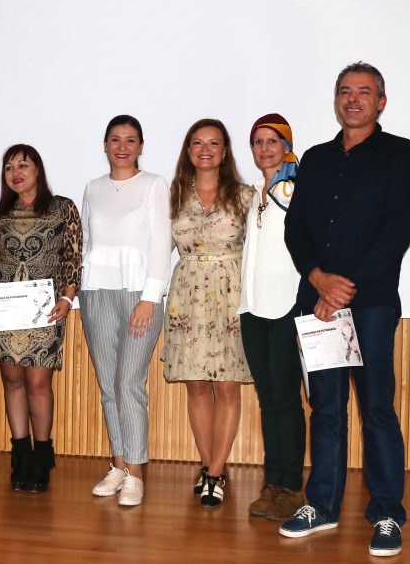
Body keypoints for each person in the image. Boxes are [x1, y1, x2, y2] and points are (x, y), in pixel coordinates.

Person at [279, 62, 410, 558]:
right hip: (317, 306)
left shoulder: (401, 155)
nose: (354, 99)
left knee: (377, 410)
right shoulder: (315, 160)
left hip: (372, 305)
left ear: (381, 102)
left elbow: (397, 230)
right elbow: (295, 228)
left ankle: (387, 514)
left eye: (364, 92)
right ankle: (321, 505)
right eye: (346, 91)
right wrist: (319, 279)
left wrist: (346, 288)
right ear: (336, 100)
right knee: (325, 408)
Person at [0, 144, 82, 493]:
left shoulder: (62, 208)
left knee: (38, 383)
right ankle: (19, 451)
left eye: (23, 165)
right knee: (12, 381)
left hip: (44, 309)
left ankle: (42, 452)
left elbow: (73, 257)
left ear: (38, 169)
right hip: (6, 309)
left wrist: (67, 298)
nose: (16, 172)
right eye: (9, 167)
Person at [161, 118, 255, 508]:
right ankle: (208, 467)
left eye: (213, 143)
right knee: (196, 385)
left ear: (225, 151)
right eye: (197, 143)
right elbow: (154, 248)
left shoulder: (246, 196)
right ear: (187, 151)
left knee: (227, 386)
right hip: (187, 297)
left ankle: (216, 472)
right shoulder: (172, 196)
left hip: (230, 296)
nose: (205, 150)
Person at [79, 115, 171, 507]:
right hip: (96, 293)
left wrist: (150, 297)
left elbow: (161, 244)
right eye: (115, 139)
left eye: (130, 140)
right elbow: (85, 241)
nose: (122, 146)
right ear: (104, 145)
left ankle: (136, 472)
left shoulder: (153, 185)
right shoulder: (93, 188)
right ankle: (118, 466)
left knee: (129, 383)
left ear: (140, 146)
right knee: (108, 386)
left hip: (140, 295)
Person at [237, 113, 306, 521]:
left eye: (272, 141)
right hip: (253, 307)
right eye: (258, 142)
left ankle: (290, 487)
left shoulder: (298, 188)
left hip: (286, 306)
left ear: (286, 145)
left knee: (286, 400)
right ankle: (272, 482)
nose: (264, 148)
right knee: (268, 399)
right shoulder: (256, 192)